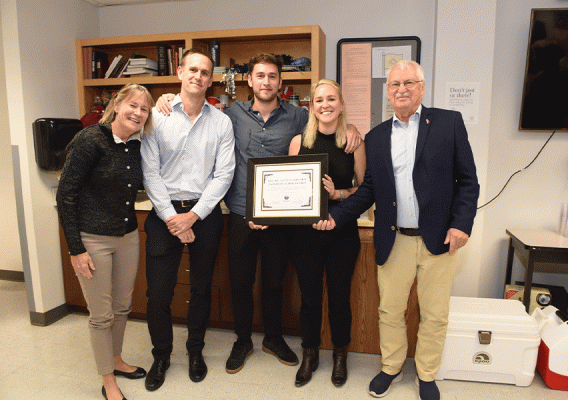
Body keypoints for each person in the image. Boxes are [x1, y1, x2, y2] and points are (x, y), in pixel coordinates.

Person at [155, 53, 361, 375]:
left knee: (275, 282)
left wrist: (355, 130)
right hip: (239, 210)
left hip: (280, 216)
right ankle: (242, 340)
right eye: (260, 76)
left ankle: (274, 338)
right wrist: (167, 97)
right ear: (249, 81)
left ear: (281, 83)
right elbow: (191, 100)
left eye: (273, 77)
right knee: (240, 282)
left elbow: (327, 126)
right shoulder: (229, 114)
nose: (266, 82)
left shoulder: (296, 117)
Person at [314, 60, 479, 400]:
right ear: (387, 92)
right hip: (394, 237)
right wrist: (338, 216)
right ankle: (391, 367)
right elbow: (370, 189)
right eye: (394, 84)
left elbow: (468, 181)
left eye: (409, 82)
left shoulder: (449, 123)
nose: (401, 89)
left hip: (439, 239)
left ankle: (427, 374)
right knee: (390, 310)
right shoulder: (376, 137)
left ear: (421, 86)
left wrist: (462, 225)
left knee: (434, 314)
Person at [141, 48, 235, 392]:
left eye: (205, 72)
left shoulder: (221, 121)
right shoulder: (157, 115)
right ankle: (161, 356)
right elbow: (149, 171)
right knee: (159, 294)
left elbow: (224, 174)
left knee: (200, 289)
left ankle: (195, 351)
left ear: (211, 80)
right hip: (163, 215)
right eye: (193, 69)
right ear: (180, 72)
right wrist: (172, 218)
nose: (198, 76)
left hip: (204, 215)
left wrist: (193, 216)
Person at [57, 83, 155, 400]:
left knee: (123, 306)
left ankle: (116, 359)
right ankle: (108, 379)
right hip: (92, 239)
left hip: (127, 236)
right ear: (117, 103)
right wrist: (76, 249)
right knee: (102, 315)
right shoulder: (89, 140)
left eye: (145, 109)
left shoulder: (136, 145)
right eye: (133, 105)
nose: (138, 113)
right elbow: (66, 195)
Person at [288, 79, 366, 387]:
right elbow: (291, 189)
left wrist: (338, 195)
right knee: (308, 298)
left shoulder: (353, 141)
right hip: (305, 235)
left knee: (339, 298)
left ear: (341, 104)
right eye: (319, 100)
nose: (325, 105)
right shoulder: (298, 142)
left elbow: (364, 190)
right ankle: (310, 354)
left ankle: (339, 355)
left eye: (331, 99)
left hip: (342, 233)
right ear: (312, 106)